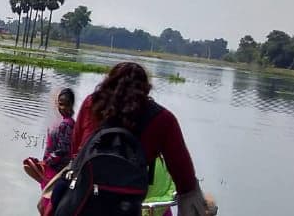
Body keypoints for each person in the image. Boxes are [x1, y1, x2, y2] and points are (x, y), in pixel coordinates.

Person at [66, 62, 211, 216]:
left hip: (84, 204)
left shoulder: (91, 104)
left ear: (108, 82)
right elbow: (186, 182)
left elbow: (75, 152)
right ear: (146, 89)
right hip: (126, 208)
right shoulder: (163, 119)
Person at [22, 88, 75, 213]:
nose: (61, 107)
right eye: (60, 104)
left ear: (71, 105)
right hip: (54, 169)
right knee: (43, 206)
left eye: (65, 104)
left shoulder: (66, 124)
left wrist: (46, 162)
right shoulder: (69, 123)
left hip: (56, 170)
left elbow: (62, 150)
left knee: (45, 207)